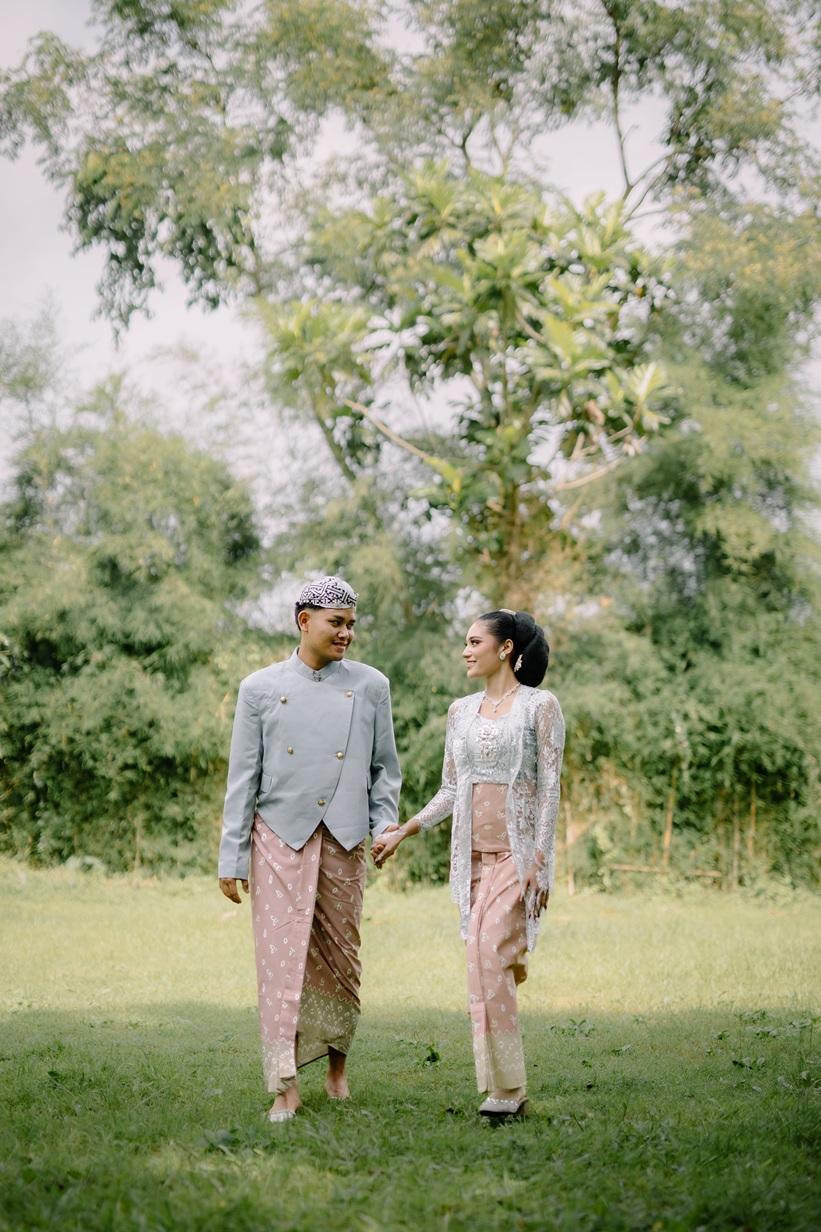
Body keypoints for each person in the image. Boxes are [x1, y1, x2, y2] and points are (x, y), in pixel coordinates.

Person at [218, 575, 401, 1123]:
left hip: (345, 837)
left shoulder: (371, 686)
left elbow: (384, 770)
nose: (346, 633)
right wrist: (231, 857)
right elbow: (242, 779)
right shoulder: (258, 688)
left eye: (351, 625)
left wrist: (384, 825)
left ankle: (337, 1068)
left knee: (342, 959)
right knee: (280, 960)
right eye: (335, 623)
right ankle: (285, 1085)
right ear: (304, 621)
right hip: (278, 837)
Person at [372, 609, 564, 1119]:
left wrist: (539, 859)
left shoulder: (540, 706)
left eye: (475, 641)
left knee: (488, 953)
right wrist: (405, 830)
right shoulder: (460, 711)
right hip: (472, 859)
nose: (465, 650)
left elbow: (550, 788)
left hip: (517, 855)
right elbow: (451, 789)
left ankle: (509, 1089)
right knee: (481, 962)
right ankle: (501, 1085)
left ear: (505, 648)